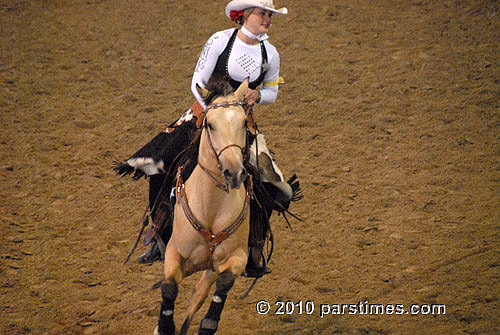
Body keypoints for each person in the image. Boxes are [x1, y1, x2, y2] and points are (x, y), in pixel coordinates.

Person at [114, 0, 299, 278]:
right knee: (156, 163)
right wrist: (214, 111)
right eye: (263, 14)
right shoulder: (219, 41)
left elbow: (272, 91)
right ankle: (160, 234)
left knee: (274, 185)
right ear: (246, 15)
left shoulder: (270, 54)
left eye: (270, 15)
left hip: (241, 126)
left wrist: (258, 96)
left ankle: (253, 249)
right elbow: (196, 81)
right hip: (204, 117)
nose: (268, 19)